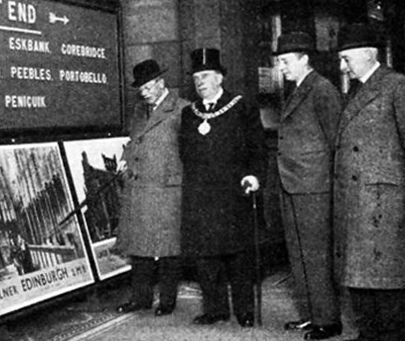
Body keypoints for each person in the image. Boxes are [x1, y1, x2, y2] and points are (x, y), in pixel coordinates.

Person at [179, 48, 266, 327]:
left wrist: (254, 176)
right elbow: (185, 153)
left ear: (219, 77)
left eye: (204, 76)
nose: (199, 82)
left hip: (233, 193)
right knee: (206, 256)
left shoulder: (241, 107)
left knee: (237, 256)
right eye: (195, 77)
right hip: (201, 195)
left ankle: (244, 310)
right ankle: (214, 309)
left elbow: (258, 148)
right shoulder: (188, 114)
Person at [334, 23, 405, 341]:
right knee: (360, 278)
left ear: (368, 54)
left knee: (386, 280)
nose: (342, 66)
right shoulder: (357, 90)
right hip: (358, 200)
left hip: (384, 201)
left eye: (346, 58)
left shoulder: (396, 85)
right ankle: (369, 333)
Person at [273, 31, 343, 340]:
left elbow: (335, 141)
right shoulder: (299, 88)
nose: (282, 68)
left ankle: (328, 320)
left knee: (315, 256)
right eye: (280, 62)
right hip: (295, 184)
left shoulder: (322, 89)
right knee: (299, 255)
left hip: (314, 187)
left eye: (286, 61)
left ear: (305, 59)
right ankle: (311, 316)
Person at [115, 59, 189, 316]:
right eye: (141, 88)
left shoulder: (182, 109)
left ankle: (167, 301)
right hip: (139, 188)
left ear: (161, 83)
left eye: (147, 87)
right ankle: (141, 298)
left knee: (168, 248)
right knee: (140, 248)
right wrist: (125, 160)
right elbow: (134, 141)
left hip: (166, 190)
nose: (143, 92)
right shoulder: (139, 111)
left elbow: (191, 152)